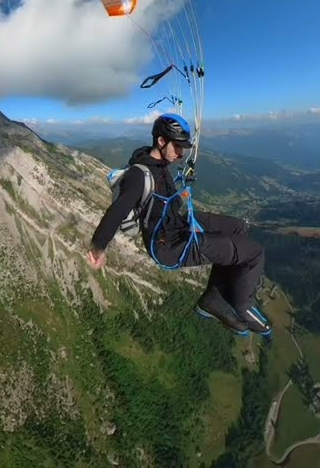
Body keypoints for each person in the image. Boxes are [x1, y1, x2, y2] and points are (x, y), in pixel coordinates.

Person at [85, 113, 272, 337]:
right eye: (177, 146)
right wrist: (98, 248)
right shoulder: (138, 175)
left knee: (239, 228)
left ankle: (214, 298)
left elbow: (162, 199)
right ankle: (243, 307)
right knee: (254, 253)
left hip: (178, 225)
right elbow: (116, 212)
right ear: (161, 141)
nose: (181, 153)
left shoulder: (158, 163)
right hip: (169, 246)